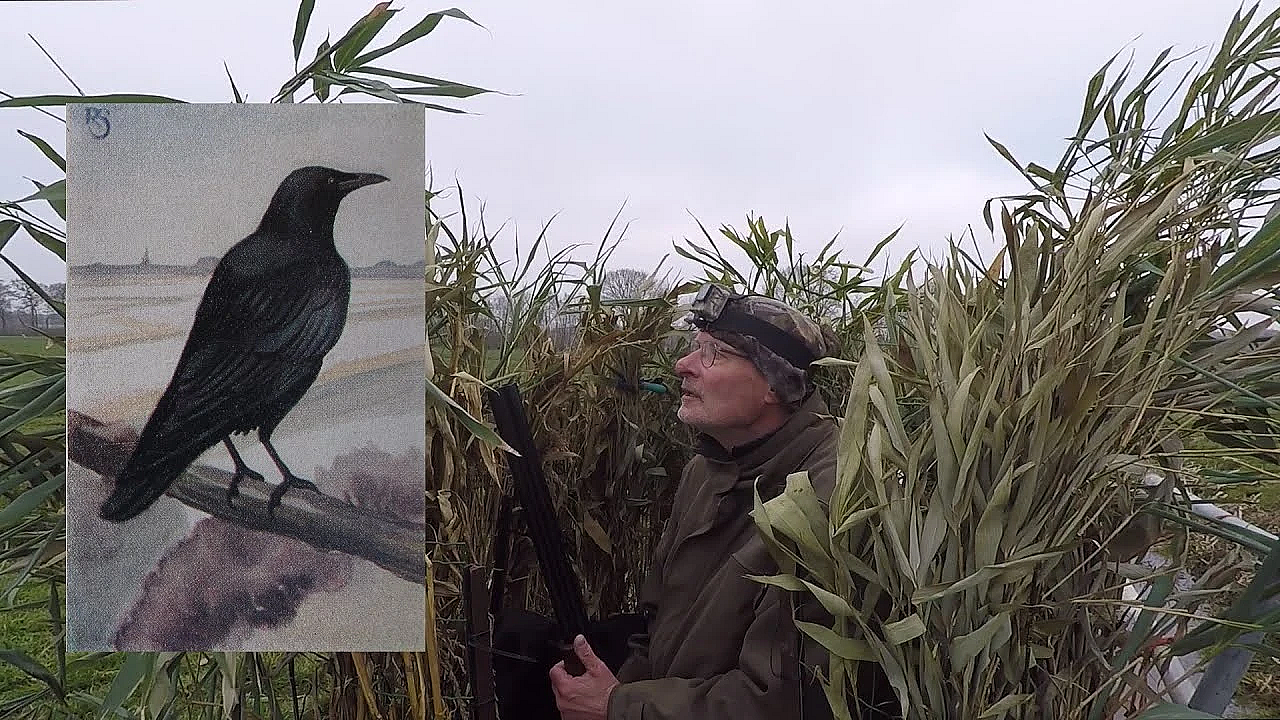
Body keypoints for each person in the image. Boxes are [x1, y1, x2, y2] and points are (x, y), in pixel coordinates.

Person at [549, 284, 896, 720]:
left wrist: (619, 707)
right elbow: (654, 625)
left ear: (774, 383)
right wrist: (612, 692)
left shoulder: (832, 498)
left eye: (714, 353)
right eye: (696, 346)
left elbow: (784, 702)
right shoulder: (708, 466)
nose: (682, 365)